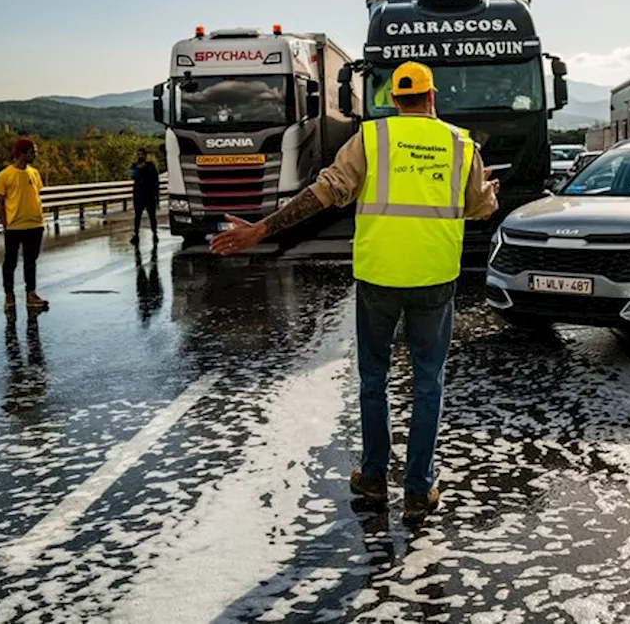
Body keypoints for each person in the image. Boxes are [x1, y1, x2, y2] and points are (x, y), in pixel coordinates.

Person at [209, 60, 500, 523]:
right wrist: (488, 193)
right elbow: (479, 207)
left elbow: (323, 193)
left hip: (378, 279)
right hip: (434, 280)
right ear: (432, 97)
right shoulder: (461, 144)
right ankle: (419, 489)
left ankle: (372, 476)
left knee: (374, 380)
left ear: (393, 100)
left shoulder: (372, 138)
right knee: (428, 382)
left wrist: (261, 229)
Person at [0, 138, 49, 312]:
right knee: (10, 263)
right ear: (22, 153)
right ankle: (9, 296)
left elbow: (36, 195)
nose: (35, 154)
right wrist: (5, 224)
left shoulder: (34, 173)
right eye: (33, 151)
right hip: (15, 226)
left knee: (31, 262)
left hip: (35, 224)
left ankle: (31, 294)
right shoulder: (5, 175)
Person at [130, 147, 161, 245]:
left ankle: (155, 234)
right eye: (138, 154)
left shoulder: (151, 166)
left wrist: (157, 197)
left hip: (149, 195)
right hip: (138, 196)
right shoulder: (135, 166)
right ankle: (136, 234)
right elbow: (133, 176)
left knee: (152, 217)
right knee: (137, 217)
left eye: (142, 154)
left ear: (145, 155)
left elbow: (156, 181)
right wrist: (139, 169)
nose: (140, 156)